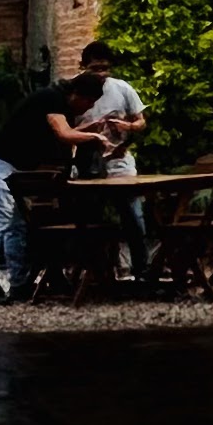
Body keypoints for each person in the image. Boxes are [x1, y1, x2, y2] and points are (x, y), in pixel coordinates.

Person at [0, 71, 99, 305]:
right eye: (89, 102)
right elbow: (63, 134)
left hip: (20, 168)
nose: (88, 108)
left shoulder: (61, 106)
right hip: (2, 163)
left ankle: (19, 283)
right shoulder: (51, 98)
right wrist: (95, 137)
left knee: (17, 225)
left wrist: (89, 130)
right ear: (77, 95)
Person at [70, 42, 155, 282]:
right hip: (89, 159)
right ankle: (98, 271)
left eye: (105, 68)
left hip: (119, 158)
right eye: (96, 68)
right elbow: (66, 129)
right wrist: (90, 132)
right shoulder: (76, 90)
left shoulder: (122, 88)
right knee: (91, 217)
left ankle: (142, 269)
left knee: (133, 215)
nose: (102, 74)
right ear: (84, 67)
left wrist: (127, 126)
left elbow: (141, 122)